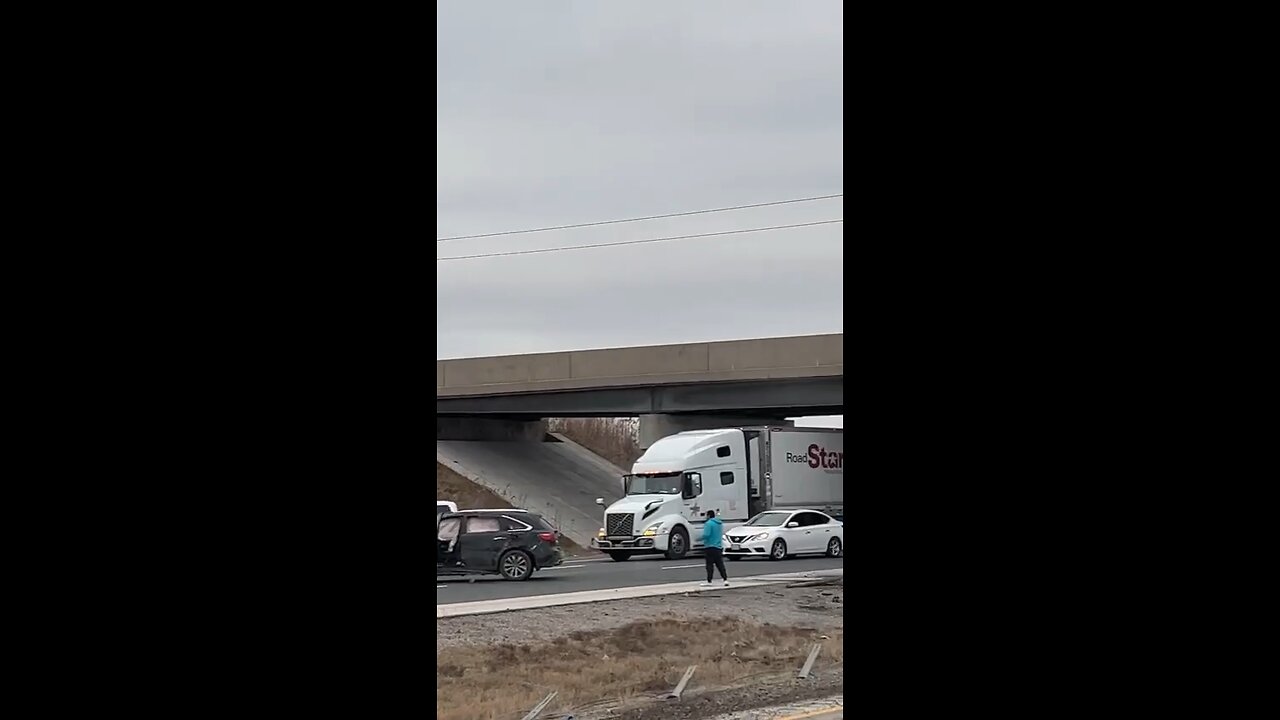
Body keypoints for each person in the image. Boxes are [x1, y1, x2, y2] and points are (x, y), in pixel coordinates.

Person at [701, 510, 729, 587]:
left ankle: (709, 580)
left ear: (709, 516)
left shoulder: (708, 524)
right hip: (718, 546)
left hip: (709, 546)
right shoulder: (719, 524)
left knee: (709, 565)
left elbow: (707, 535)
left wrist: (699, 538)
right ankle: (725, 579)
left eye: (706, 515)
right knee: (720, 564)